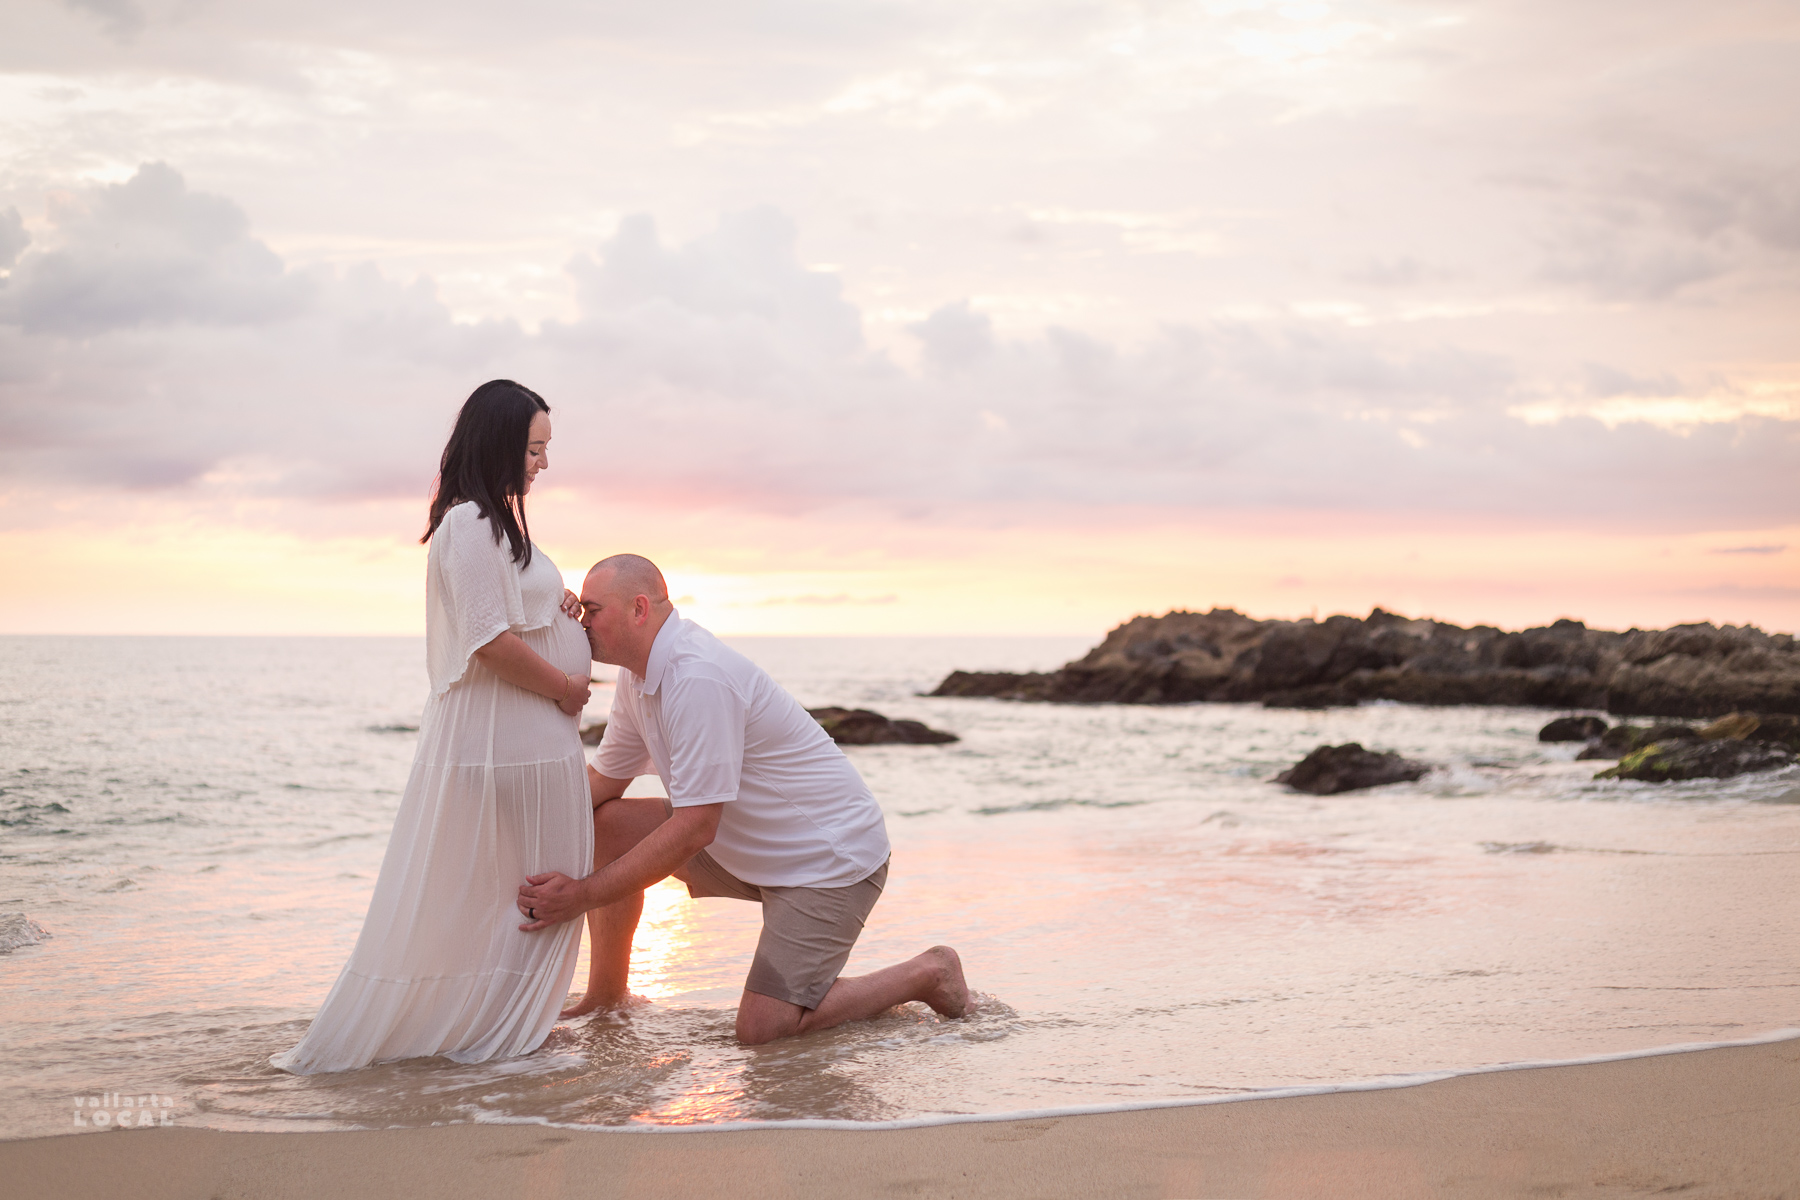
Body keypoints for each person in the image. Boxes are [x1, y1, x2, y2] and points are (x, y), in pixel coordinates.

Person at [272, 380, 595, 1074]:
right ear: (503, 442)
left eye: (545, 449)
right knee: (522, 886)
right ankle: (499, 1033)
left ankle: (507, 1027)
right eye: (535, 448)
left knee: (517, 885)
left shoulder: (493, 524)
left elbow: (513, 620)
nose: (543, 463)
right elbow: (488, 643)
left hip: (525, 740)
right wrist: (568, 686)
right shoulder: (471, 524)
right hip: (512, 739)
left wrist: (556, 607)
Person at [515, 554, 969, 1044]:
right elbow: (603, 784)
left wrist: (580, 895)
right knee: (605, 824)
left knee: (764, 1031)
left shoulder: (698, 677)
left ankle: (928, 971)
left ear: (639, 609)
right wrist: (509, 816)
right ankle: (607, 998)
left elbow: (695, 827)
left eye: (591, 609)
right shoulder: (638, 676)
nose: (581, 621)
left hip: (826, 863)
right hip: (742, 844)